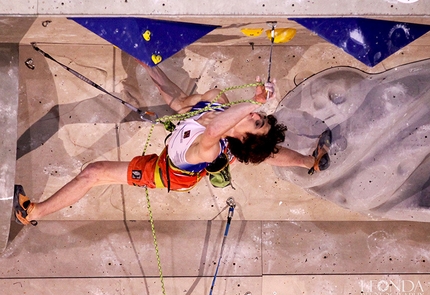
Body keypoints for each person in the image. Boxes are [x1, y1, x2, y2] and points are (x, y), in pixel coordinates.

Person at [13, 62, 330, 226]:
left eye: (257, 121)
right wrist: (146, 61)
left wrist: (253, 103)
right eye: (259, 116)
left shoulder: (211, 146)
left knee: (93, 172)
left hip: (171, 172)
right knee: (262, 150)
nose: (257, 114)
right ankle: (309, 161)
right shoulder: (218, 102)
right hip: (210, 138)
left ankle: (33, 212)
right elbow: (178, 100)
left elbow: (217, 128)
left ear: (242, 134)